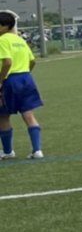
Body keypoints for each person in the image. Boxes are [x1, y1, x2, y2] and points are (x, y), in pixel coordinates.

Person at [0, 11, 43, 159]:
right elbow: (32, 61)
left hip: (10, 80)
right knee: (28, 114)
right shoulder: (20, 40)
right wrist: (25, 73)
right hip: (26, 78)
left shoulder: (2, 40)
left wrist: (1, 79)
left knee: (3, 116)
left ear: (5, 26)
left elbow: (7, 62)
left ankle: (8, 152)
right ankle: (37, 150)